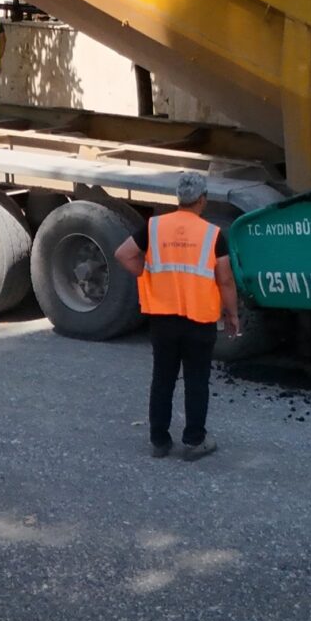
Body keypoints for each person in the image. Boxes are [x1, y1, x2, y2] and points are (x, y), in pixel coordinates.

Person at [114, 174, 241, 460]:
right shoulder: (212, 234)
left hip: (163, 318)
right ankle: (194, 442)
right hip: (199, 321)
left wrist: (145, 273)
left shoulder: (154, 227)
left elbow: (123, 254)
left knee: (162, 379)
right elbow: (225, 279)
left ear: (179, 198)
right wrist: (232, 314)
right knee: (196, 381)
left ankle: (159, 441)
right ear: (202, 200)